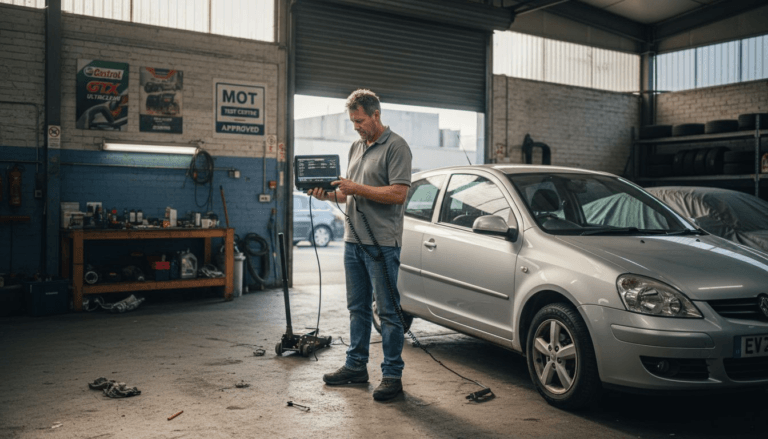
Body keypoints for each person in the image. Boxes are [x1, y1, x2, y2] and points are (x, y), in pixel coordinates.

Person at [307, 89, 412, 401]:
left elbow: (398, 194)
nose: (356, 126)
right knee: (357, 308)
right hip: (352, 241)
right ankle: (356, 366)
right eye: (353, 121)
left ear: (376, 115)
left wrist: (357, 188)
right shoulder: (356, 146)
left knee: (388, 312)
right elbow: (347, 193)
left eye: (360, 121)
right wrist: (326, 195)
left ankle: (392, 375)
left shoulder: (397, 147)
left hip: (382, 244)